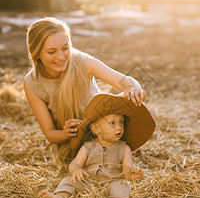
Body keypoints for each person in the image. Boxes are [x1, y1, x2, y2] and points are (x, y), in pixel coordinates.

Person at [24, 17, 145, 166]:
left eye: (65, 48)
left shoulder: (81, 61)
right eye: (51, 52)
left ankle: (117, 149)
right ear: (36, 53)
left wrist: (135, 88)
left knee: (128, 97)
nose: (61, 57)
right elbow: (50, 133)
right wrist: (65, 133)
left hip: (104, 127)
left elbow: (124, 80)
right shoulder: (32, 83)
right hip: (75, 142)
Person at [38, 93, 156, 198]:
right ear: (96, 129)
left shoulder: (124, 148)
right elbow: (74, 164)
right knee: (69, 181)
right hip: (88, 181)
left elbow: (126, 173)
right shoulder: (88, 147)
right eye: (113, 123)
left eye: (121, 122)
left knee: (122, 185)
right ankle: (59, 197)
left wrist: (134, 174)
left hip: (111, 181)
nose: (119, 127)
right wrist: (77, 170)